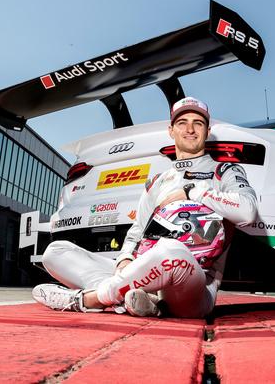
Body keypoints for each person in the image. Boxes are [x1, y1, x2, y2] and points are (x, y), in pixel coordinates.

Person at [32, 97, 258, 318]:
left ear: (207, 132)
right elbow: (138, 230)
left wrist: (193, 192)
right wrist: (125, 259)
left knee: (171, 250)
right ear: (171, 131)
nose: (190, 129)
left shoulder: (224, 171)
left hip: (193, 284)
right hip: (145, 273)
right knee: (55, 252)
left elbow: (248, 211)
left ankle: (88, 299)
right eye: (182, 123)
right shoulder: (158, 181)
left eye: (198, 123)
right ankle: (141, 300)